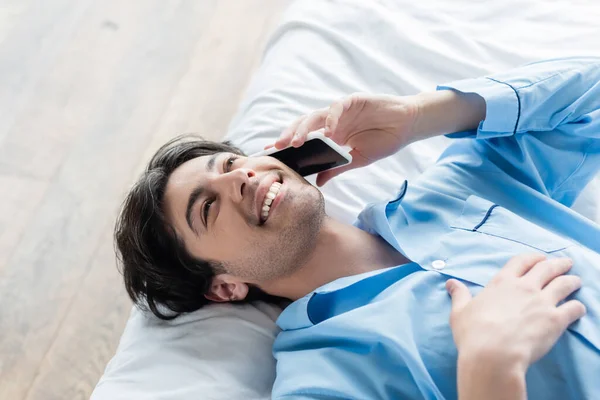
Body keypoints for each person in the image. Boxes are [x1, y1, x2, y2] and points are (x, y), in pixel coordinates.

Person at [114, 57, 600, 399]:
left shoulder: (454, 189)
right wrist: (488, 375)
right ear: (224, 286)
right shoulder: (325, 377)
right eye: (207, 208)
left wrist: (419, 116)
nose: (241, 177)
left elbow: (590, 98)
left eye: (232, 163)